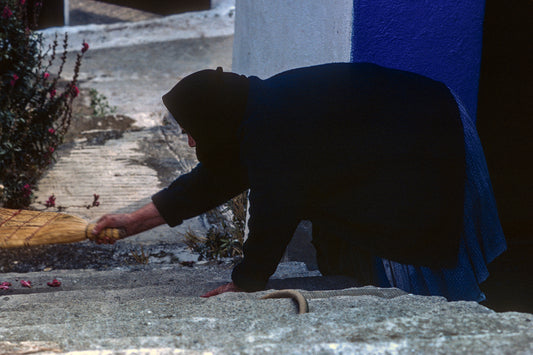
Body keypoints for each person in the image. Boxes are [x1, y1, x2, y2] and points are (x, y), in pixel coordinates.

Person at [93, 63, 506, 302]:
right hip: (418, 121)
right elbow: (213, 179)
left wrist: (246, 282)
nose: (190, 139)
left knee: (422, 258)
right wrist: (134, 221)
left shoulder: (270, 125)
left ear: (212, 118)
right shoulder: (250, 112)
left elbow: (275, 209)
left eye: (190, 128)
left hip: (429, 132)